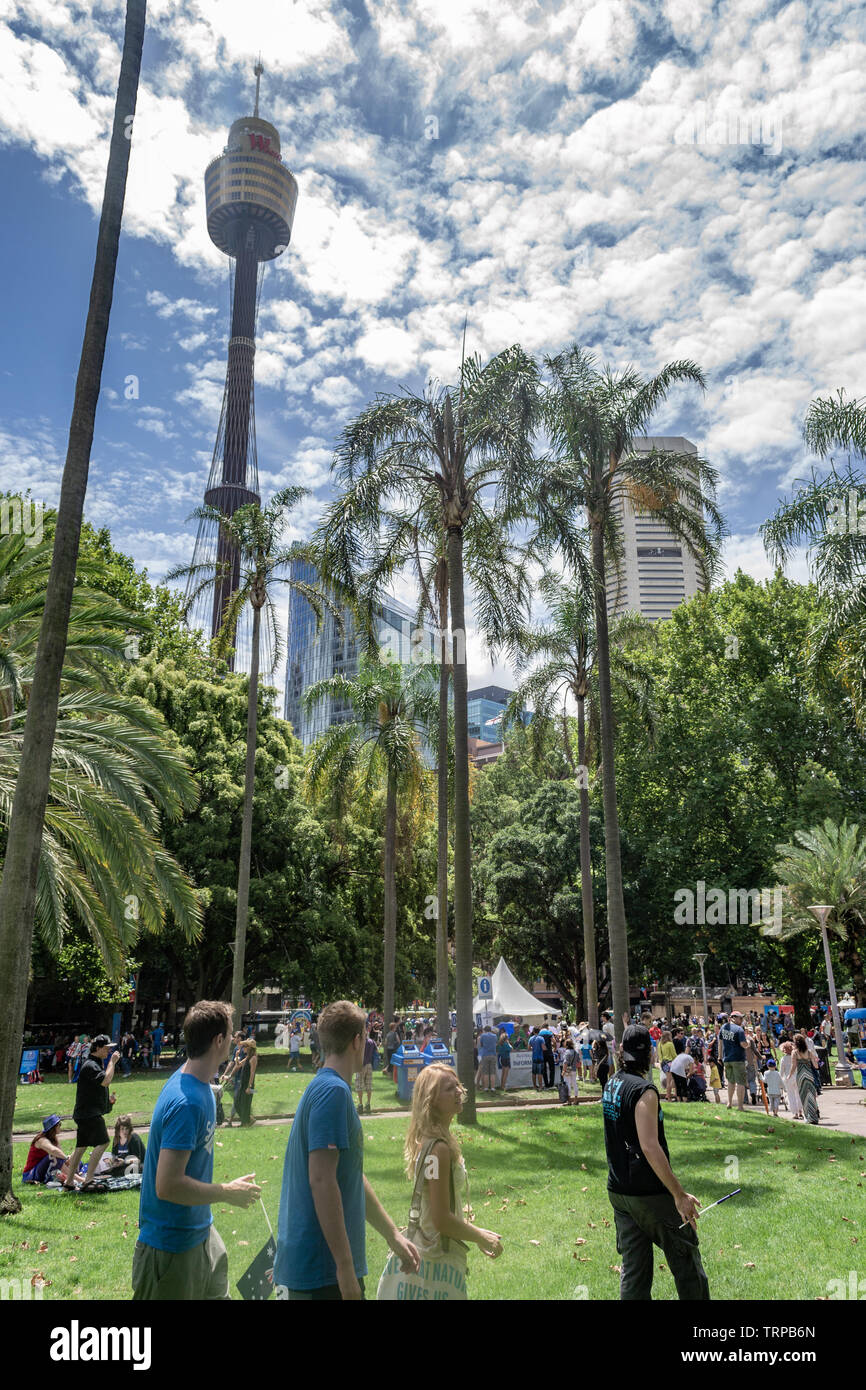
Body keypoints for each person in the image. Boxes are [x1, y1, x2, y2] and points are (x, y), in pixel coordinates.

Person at [273, 999, 421, 1300]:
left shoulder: (326, 1086)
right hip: (322, 1274)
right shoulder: (333, 1093)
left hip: (322, 1271)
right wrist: (344, 1266)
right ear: (358, 1040)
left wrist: (392, 1234)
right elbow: (322, 1181)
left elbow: (348, 1174)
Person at [132, 999, 261, 1301]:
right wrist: (227, 1192)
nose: (234, 1039)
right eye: (231, 1034)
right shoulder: (186, 1101)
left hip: (202, 1234)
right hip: (170, 1248)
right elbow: (167, 1185)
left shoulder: (201, 1084)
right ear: (218, 1041)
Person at [602, 1024, 709, 1300]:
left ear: (622, 1051)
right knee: (686, 1262)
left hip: (619, 1193)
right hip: (648, 1193)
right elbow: (649, 1146)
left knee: (634, 1272)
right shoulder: (645, 1091)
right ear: (650, 1054)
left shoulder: (612, 1083)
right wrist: (679, 1194)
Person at [395, 1062, 503, 1298]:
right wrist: (481, 1237)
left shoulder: (429, 1138)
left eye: (458, 1086)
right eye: (448, 1088)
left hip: (428, 1246)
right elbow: (441, 1219)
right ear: (431, 1099)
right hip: (436, 1254)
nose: (458, 1092)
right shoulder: (439, 1149)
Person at [62, 1034, 118, 1193]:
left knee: (81, 1147)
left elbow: (96, 1089)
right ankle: (88, 1180)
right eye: (107, 1048)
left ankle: (69, 1182)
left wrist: (108, 1102)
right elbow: (105, 1081)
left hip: (85, 1113)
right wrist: (112, 1062)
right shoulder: (91, 1065)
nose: (109, 1050)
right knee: (104, 1142)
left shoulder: (94, 1064)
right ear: (98, 1048)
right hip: (89, 1114)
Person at [22, 1115, 70, 1186]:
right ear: (53, 1127)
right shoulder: (41, 1140)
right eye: (59, 1124)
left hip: (41, 1171)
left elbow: (61, 1156)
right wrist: (66, 1158)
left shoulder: (54, 1139)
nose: (60, 1126)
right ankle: (75, 1179)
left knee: (74, 1161)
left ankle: (73, 1177)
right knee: (53, 1157)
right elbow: (53, 1150)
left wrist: (67, 1159)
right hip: (30, 1175)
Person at [719, 1010, 748, 1112]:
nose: (742, 1020)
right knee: (740, 1082)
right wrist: (748, 1043)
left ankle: (729, 1103)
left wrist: (719, 1057)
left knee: (731, 1082)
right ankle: (740, 1106)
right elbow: (743, 1044)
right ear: (734, 1018)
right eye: (740, 1018)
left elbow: (720, 1043)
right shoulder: (739, 1030)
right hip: (738, 1059)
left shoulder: (723, 1027)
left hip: (727, 1059)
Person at [793, 1034, 820, 1124]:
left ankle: (808, 1117)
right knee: (812, 1096)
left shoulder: (795, 1052)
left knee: (804, 1096)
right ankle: (814, 1117)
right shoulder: (809, 1052)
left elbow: (794, 1066)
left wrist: (789, 1075)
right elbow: (816, 1066)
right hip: (809, 1075)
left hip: (800, 1075)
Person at [234, 1037, 258, 1127]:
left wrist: (249, 1087)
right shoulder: (248, 1057)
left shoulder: (253, 1058)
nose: (242, 1048)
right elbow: (239, 1065)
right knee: (237, 1103)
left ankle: (245, 1123)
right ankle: (249, 1119)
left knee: (245, 1104)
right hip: (243, 1084)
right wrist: (236, 1056)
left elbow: (252, 1073)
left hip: (248, 1085)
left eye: (244, 1046)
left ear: (249, 1048)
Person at [356, 1028, 378, 1115]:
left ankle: (360, 1105)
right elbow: (376, 1050)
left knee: (359, 1085)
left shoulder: (360, 1042)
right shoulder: (371, 1042)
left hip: (360, 1065)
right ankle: (368, 1104)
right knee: (368, 1085)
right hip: (369, 1064)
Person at [779, 1040, 802, 1117]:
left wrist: (780, 1080)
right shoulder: (796, 1057)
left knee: (790, 1095)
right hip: (797, 1076)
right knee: (798, 1094)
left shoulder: (783, 1059)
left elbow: (781, 1072)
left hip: (788, 1078)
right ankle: (800, 1110)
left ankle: (794, 1112)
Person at [475, 1024, 498, 1094]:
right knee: (493, 1072)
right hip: (493, 1055)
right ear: (490, 1030)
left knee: (485, 1073)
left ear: (484, 1030)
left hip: (485, 1055)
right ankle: (493, 1088)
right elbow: (496, 1044)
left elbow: (480, 1045)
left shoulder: (482, 1036)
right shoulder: (495, 1036)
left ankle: (486, 1088)